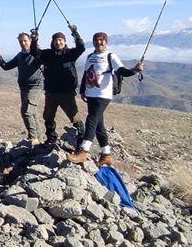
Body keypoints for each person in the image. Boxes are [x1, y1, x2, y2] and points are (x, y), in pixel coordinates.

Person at [77, 31, 143, 165]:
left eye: (102, 40)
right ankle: (106, 155)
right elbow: (86, 74)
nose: (99, 42)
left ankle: (83, 151)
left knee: (91, 120)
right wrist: (83, 90)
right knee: (99, 125)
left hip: (103, 95)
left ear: (106, 42)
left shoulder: (111, 56)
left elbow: (121, 71)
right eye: (96, 40)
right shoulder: (90, 56)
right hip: (91, 94)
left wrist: (135, 70)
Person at [38, 24, 87, 147]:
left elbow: (81, 47)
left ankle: (82, 139)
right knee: (48, 116)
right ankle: (51, 138)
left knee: (74, 117)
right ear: (52, 42)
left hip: (67, 93)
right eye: (55, 40)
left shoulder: (70, 54)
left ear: (64, 42)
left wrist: (74, 32)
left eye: (60, 40)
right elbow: (34, 52)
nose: (58, 42)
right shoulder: (47, 54)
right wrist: (34, 39)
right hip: (51, 92)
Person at [0, 31, 44, 141]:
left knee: (27, 112)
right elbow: (6, 66)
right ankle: (39, 138)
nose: (23, 43)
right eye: (21, 42)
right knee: (31, 113)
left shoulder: (36, 53)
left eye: (25, 41)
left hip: (35, 86)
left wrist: (36, 39)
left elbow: (39, 53)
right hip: (24, 87)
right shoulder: (20, 56)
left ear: (30, 41)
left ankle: (33, 138)